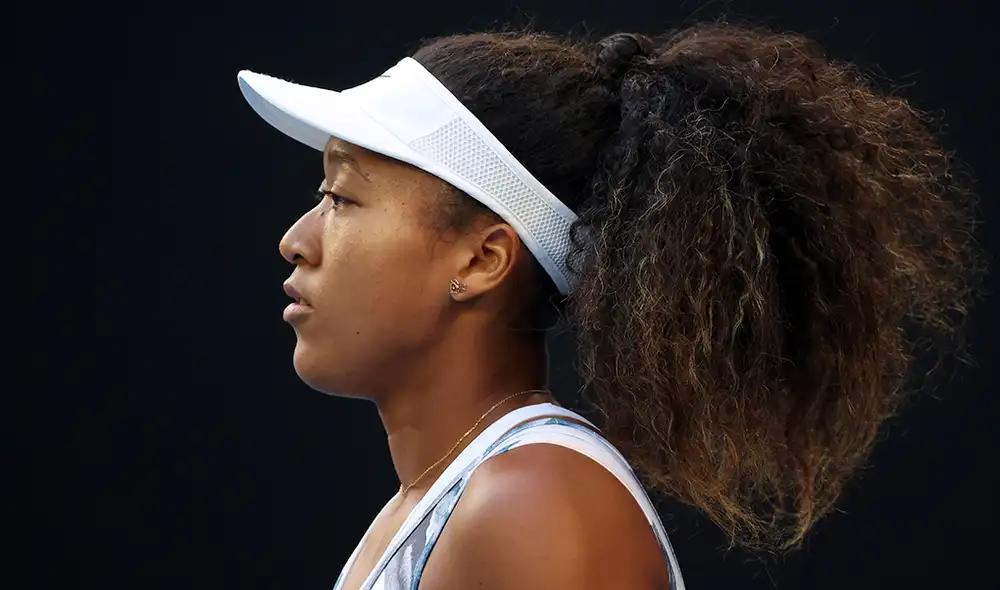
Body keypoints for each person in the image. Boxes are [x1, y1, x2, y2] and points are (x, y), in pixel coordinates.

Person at [237, 22, 981, 590]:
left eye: (341, 197)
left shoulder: (532, 507)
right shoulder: (443, 502)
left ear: (481, 259)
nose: (296, 241)